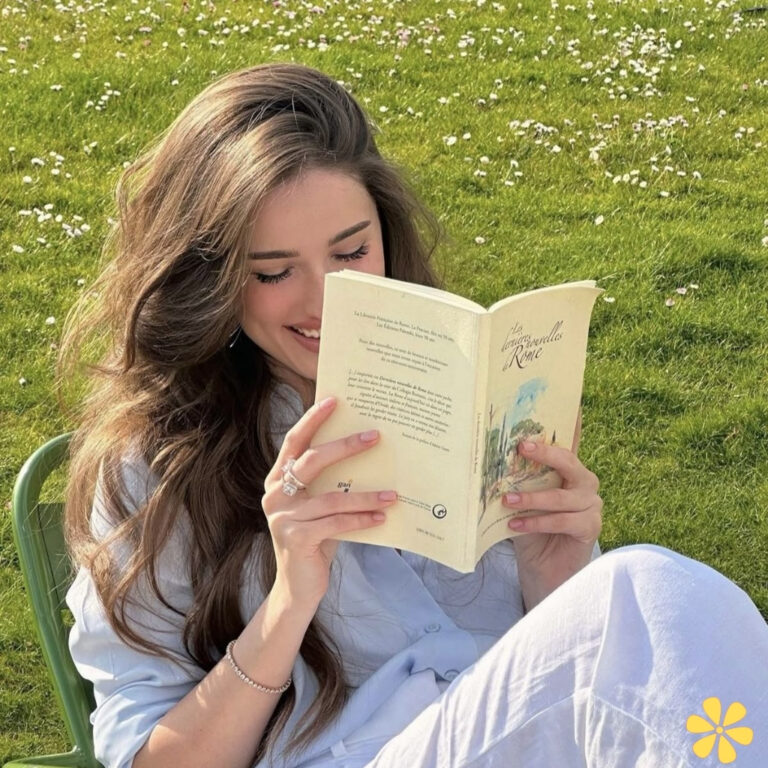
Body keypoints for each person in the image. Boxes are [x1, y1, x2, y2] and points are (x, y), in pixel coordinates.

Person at [59, 62, 768, 768]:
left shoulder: (467, 388)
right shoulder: (154, 465)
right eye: (274, 272)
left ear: (386, 236)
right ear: (212, 279)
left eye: (351, 251)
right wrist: (288, 603)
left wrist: (556, 575)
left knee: (657, 608)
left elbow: (554, 685)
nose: (326, 298)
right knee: (643, 592)